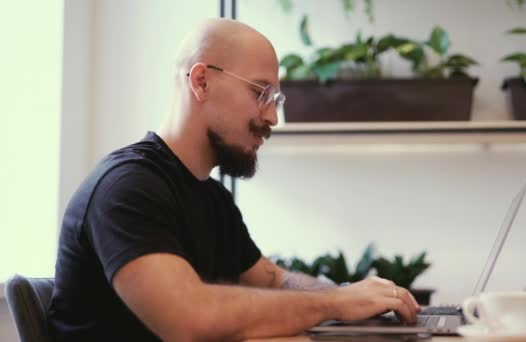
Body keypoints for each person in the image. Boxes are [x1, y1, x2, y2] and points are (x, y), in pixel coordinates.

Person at [47, 18, 420, 341]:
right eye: (260, 93)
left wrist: (358, 297)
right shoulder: (126, 188)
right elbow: (189, 319)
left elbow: (274, 281)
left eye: (275, 98)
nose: (272, 117)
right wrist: (335, 302)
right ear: (201, 82)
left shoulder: (213, 200)